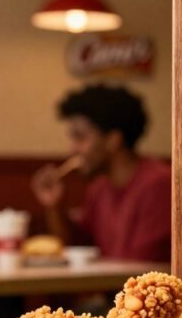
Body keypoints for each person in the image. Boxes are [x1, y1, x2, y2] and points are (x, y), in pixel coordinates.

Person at [31, 84, 171, 263]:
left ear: (113, 140)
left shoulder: (158, 185)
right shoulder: (99, 188)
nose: (72, 148)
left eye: (80, 137)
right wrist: (53, 206)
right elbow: (76, 249)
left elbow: (142, 267)